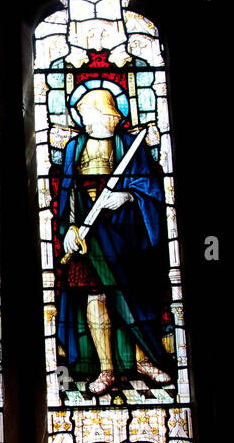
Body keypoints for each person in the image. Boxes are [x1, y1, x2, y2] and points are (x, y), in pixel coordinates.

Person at [54, 83, 173, 394]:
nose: (87, 120)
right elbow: (66, 194)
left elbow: (153, 190)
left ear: (109, 114)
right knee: (95, 296)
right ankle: (105, 368)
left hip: (124, 233)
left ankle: (143, 360)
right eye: (83, 115)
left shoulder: (131, 146)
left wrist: (128, 197)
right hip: (88, 236)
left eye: (92, 113)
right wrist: (70, 229)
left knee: (128, 296)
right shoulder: (74, 149)